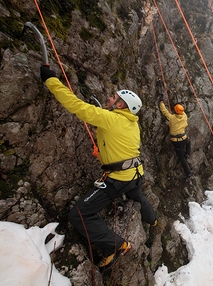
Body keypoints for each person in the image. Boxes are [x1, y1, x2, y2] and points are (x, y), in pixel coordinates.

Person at [40, 65, 157, 269]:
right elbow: (120, 144)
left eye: (114, 98)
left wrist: (51, 81)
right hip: (135, 174)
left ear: (122, 105)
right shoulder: (132, 123)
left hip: (119, 180)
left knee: (78, 215)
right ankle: (152, 220)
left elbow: (76, 106)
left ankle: (118, 245)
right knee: (137, 195)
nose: (110, 99)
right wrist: (103, 153)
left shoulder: (110, 118)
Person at [158, 90, 192, 179]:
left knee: (181, 158)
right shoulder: (184, 116)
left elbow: (164, 111)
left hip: (176, 141)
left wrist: (161, 102)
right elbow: (181, 111)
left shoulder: (172, 118)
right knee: (188, 142)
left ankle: (188, 172)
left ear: (175, 111)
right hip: (184, 138)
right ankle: (188, 153)